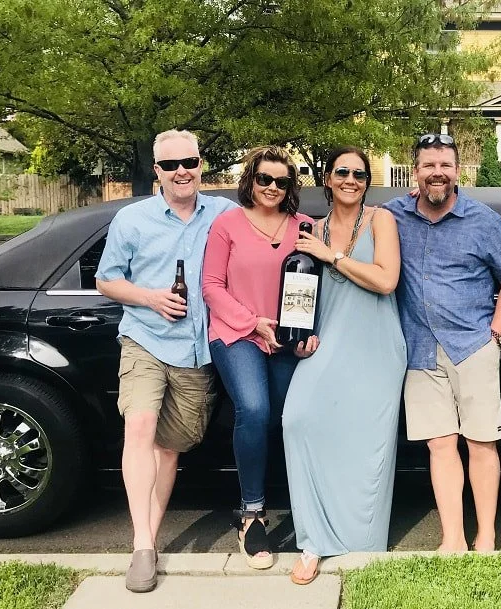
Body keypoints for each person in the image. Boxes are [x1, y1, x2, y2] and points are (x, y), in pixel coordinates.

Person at [95, 129, 237, 592]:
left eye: (190, 162)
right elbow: (106, 280)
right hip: (146, 338)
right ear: (156, 171)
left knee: (169, 447)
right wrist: (150, 298)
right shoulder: (132, 219)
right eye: (172, 165)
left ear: (201, 165)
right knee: (138, 427)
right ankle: (141, 544)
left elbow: (271, 225)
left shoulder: (222, 212)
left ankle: (149, 540)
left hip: (197, 349)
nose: (182, 172)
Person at [383, 134, 501, 553]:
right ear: (416, 172)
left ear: (457, 171)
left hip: (473, 346)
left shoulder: (484, 222)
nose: (437, 173)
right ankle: (453, 538)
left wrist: (496, 335)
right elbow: (347, 212)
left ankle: (485, 535)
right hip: (420, 350)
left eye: (445, 165)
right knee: (440, 445)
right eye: (428, 166)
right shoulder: (394, 215)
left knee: (482, 443)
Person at [282, 145, 406, 584]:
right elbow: (299, 295)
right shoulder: (308, 230)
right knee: (297, 420)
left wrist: (331, 255)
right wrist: (298, 337)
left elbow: (386, 280)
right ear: (328, 179)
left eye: (359, 173)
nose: (351, 179)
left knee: (366, 445)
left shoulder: (381, 220)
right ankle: (313, 541)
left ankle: (363, 544)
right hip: (326, 345)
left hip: (376, 346)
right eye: (342, 172)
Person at [202, 145, 317, 570]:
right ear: (250, 179)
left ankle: (309, 508)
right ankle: (252, 514)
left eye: (281, 181)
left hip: (288, 340)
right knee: (253, 407)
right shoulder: (226, 225)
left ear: (290, 186)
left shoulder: (304, 227)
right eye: (264, 178)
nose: (271, 187)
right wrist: (252, 323)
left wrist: (310, 332)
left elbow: (319, 284)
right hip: (237, 336)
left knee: (288, 417)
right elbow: (211, 286)